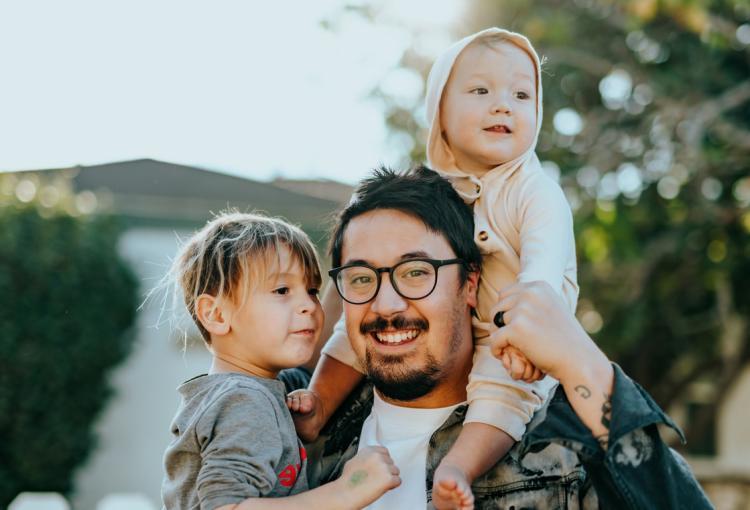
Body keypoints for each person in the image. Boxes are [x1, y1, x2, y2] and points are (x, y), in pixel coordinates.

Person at [285, 166, 712, 509]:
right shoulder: (288, 425)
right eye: (361, 278)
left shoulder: (560, 447)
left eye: (416, 272)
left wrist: (582, 360)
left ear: (470, 285)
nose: (387, 305)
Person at [291, 27, 577, 508]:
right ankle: (319, 404)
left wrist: (525, 335)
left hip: (516, 336)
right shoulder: (434, 194)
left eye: (521, 94)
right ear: (439, 113)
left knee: (501, 391)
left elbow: (542, 277)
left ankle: (457, 469)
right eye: (481, 91)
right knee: (352, 328)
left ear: (468, 280)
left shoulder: (534, 190)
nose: (503, 105)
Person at [160, 212, 400, 509]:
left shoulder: (259, 392)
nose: (309, 306)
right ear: (216, 314)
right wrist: (348, 491)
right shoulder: (245, 402)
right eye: (282, 290)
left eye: (312, 291)